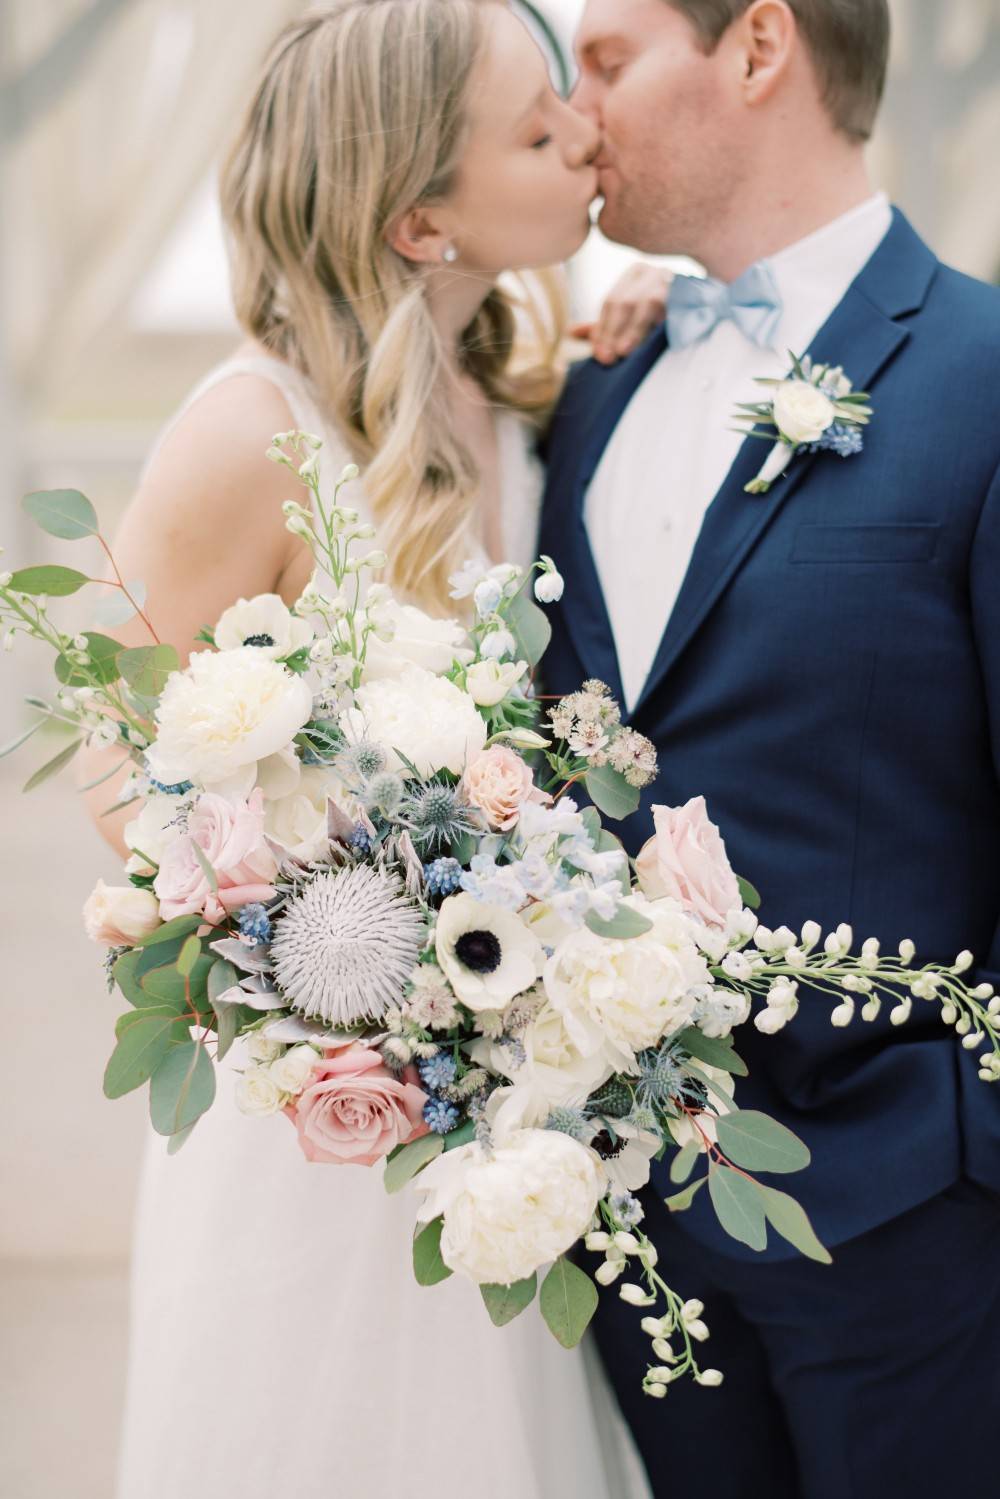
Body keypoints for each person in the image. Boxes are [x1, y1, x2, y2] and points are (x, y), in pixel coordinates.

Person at [79, 4, 665, 1496]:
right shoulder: (245, 435)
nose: (586, 133)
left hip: (495, 1120)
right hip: (318, 1120)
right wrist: (328, 949)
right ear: (419, 219)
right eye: (538, 134)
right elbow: (108, 760)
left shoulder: (525, 401)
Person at [538, 1, 1000, 1495]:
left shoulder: (986, 374)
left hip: (919, 1229)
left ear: (756, 48)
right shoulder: (589, 392)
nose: (577, 111)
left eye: (606, 61)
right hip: (634, 1240)